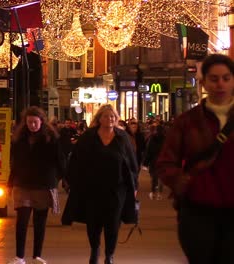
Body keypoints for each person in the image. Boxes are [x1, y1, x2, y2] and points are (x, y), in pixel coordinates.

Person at [156, 53, 234, 263]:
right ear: (204, 83)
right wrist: (184, 183)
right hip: (199, 212)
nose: (220, 84)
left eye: (226, 78)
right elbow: (165, 163)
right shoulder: (188, 121)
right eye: (214, 79)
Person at [63, 104, 138, 264]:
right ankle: (94, 250)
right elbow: (76, 159)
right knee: (94, 222)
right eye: (105, 116)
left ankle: (109, 255)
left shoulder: (122, 137)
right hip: (92, 189)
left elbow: (131, 162)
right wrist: (71, 180)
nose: (109, 119)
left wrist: (134, 186)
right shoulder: (89, 136)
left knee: (113, 223)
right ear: (99, 118)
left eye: (112, 116)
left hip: (117, 190)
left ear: (116, 118)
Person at [7, 106, 66, 264]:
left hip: (43, 185)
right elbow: (14, 162)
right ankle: (19, 257)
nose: (32, 125)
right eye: (29, 122)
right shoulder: (19, 139)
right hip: (23, 184)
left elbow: (60, 161)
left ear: (42, 122)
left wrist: (58, 179)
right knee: (22, 221)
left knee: (40, 222)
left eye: (35, 122)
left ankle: (36, 256)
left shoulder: (51, 139)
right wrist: (10, 182)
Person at [143, 124, 166, 200]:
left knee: (154, 177)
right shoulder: (166, 139)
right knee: (161, 177)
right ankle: (159, 193)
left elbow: (148, 151)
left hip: (154, 161)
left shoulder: (152, 139)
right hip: (163, 161)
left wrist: (145, 163)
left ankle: (153, 192)